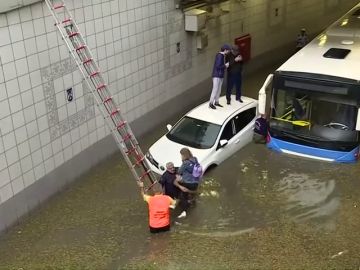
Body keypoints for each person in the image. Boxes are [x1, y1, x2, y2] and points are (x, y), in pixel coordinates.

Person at [174, 148, 200, 218]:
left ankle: (186, 208)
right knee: (192, 192)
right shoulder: (195, 158)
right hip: (195, 181)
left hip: (188, 182)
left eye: (181, 155)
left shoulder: (185, 163)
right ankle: (193, 201)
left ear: (183, 155)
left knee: (183, 194)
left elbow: (179, 171)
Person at [209, 44, 231, 109]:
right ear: (225, 50)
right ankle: (211, 103)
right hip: (217, 75)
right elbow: (218, 66)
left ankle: (216, 102)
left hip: (220, 75)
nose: (228, 52)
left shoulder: (222, 55)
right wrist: (225, 66)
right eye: (228, 50)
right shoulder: (220, 56)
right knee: (215, 89)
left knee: (218, 89)